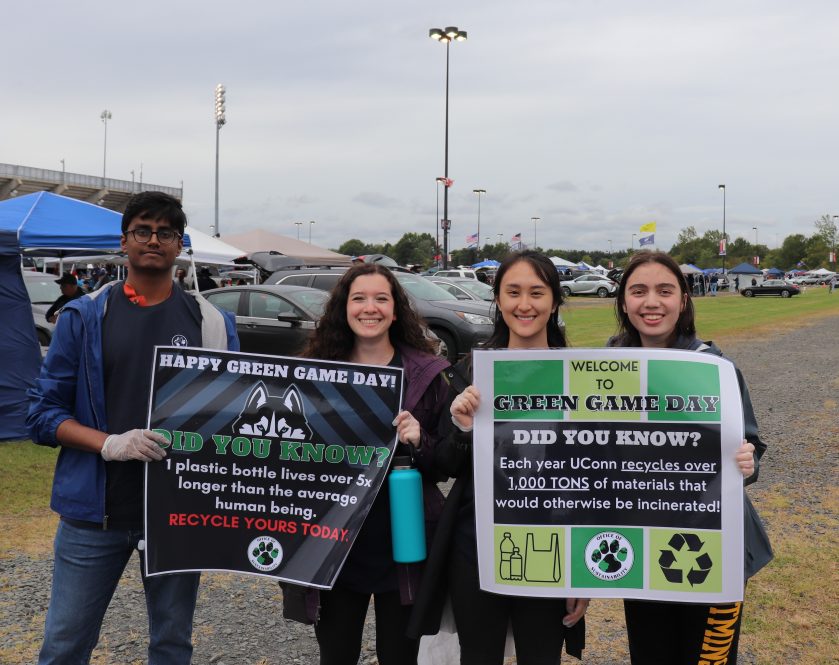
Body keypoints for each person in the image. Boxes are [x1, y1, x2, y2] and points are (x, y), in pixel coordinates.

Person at [27, 191, 239, 665]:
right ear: (124, 241)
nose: (153, 240)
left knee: (171, 644)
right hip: (94, 513)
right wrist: (109, 444)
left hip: (178, 515)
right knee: (64, 645)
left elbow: (231, 420)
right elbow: (42, 414)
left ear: (180, 244)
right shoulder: (84, 316)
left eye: (166, 233)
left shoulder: (212, 324)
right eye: (143, 230)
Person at [419, 250, 588, 664]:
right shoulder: (470, 371)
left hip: (552, 544)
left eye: (536, 292)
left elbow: (594, 476)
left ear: (554, 300)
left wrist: (582, 572)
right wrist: (461, 427)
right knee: (477, 656)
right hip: (475, 543)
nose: (524, 304)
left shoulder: (579, 374)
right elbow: (443, 465)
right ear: (498, 299)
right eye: (513, 292)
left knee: (541, 656)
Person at [607, 250, 771, 664]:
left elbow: (749, 443)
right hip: (642, 543)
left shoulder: (715, 367)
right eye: (639, 291)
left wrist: (747, 462)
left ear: (683, 299)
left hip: (714, 545)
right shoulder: (604, 367)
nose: (652, 302)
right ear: (624, 301)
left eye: (665, 290)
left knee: (708, 660)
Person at [290, 263, 451, 665]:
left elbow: (445, 464)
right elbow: (292, 461)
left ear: (396, 311)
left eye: (382, 299)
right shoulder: (314, 372)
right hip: (335, 545)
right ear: (344, 308)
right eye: (359, 298)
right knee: (336, 655)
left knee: (399, 657)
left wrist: (420, 439)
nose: (370, 308)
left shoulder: (425, 375)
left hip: (405, 541)